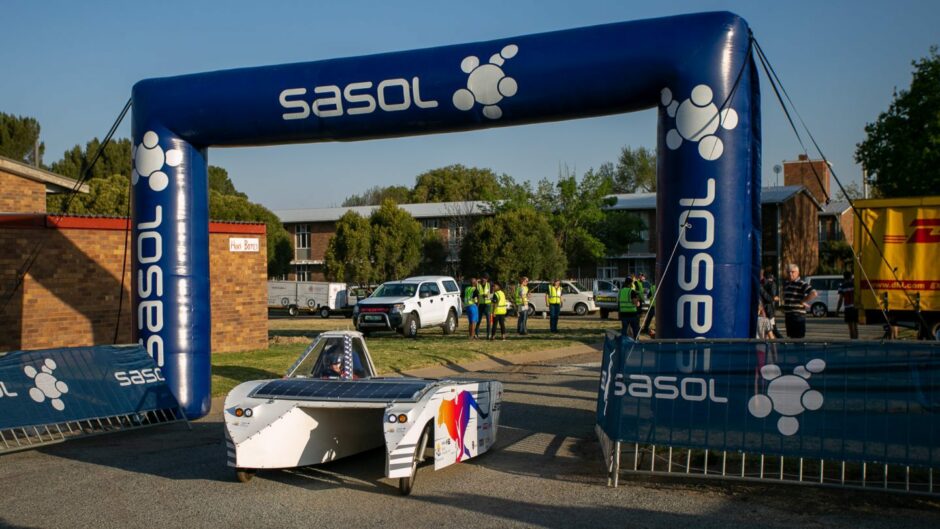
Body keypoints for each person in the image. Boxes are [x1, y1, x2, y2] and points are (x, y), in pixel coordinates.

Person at [781, 263, 817, 339]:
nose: (790, 274)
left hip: (797, 315)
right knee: (792, 338)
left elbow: (814, 293)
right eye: (788, 272)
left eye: (792, 272)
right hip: (788, 315)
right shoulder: (787, 284)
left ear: (798, 273)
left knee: (799, 339)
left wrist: (803, 301)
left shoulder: (801, 283)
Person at [837, 270, 859, 339]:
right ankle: (856, 340)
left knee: (850, 326)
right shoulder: (855, 285)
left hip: (848, 307)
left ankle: (852, 340)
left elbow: (840, 299)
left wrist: (837, 310)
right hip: (855, 307)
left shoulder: (842, 286)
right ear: (851, 277)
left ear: (844, 277)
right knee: (855, 325)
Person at [476, 274, 492, 340]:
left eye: (485, 278)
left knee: (488, 321)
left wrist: (487, 296)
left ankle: (488, 335)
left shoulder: (489, 285)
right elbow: (476, 294)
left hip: (488, 305)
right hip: (481, 305)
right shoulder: (478, 285)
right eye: (482, 278)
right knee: (478, 320)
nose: (483, 279)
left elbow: (492, 295)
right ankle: (476, 334)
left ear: (487, 279)